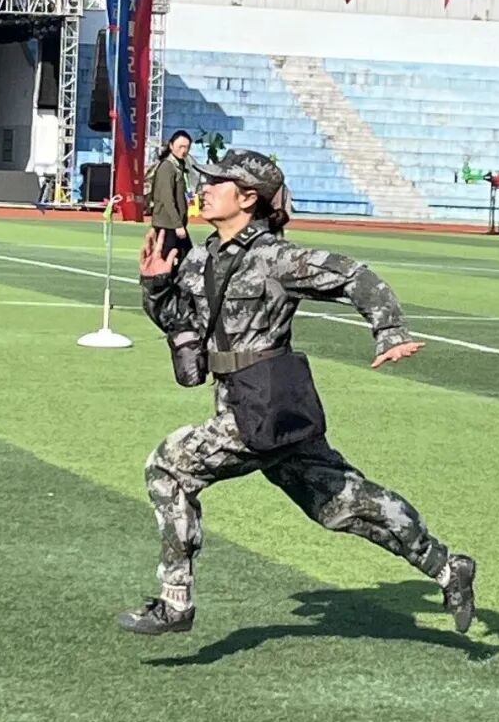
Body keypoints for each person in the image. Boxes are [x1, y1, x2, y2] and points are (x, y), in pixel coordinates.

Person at [119, 149, 477, 637]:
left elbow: (353, 274)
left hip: (263, 407)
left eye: (216, 182)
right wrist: (156, 286)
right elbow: (182, 325)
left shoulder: (277, 258)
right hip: (252, 403)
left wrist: (389, 331)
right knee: (341, 504)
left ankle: (175, 601)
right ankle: (446, 567)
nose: (204, 188)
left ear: (248, 198)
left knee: (167, 467)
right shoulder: (202, 257)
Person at [147, 130, 195, 265]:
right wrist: (177, 224)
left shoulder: (180, 166)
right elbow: (167, 198)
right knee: (165, 262)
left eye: (187, 147)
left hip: (175, 224)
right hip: (167, 225)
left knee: (184, 261)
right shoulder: (167, 167)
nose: (184, 151)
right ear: (171, 146)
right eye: (180, 146)